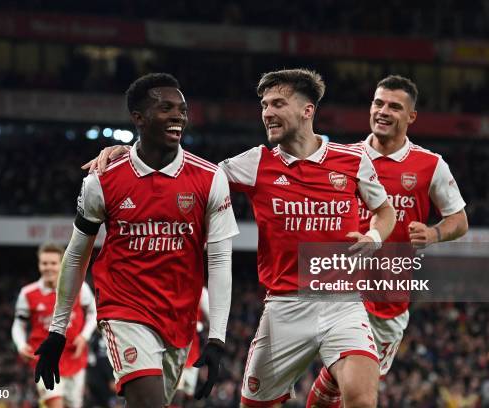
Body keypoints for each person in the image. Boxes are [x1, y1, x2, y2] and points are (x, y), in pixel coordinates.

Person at [85, 68, 397, 408]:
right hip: (284, 307)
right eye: (264, 105)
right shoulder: (254, 163)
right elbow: (190, 175)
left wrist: (374, 237)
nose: (267, 113)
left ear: (308, 110)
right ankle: (326, 384)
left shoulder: (353, 159)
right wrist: (131, 152)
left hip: (342, 302)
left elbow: (386, 212)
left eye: (278, 103)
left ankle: (332, 381)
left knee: (362, 396)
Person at [33, 73, 239, 408]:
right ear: (138, 118)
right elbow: (76, 255)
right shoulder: (103, 180)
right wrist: (57, 330)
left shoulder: (209, 178)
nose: (178, 116)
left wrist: (216, 337)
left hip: (179, 318)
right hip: (124, 309)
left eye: (183, 109)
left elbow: (218, 260)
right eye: (166, 108)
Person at [306, 74, 469, 408]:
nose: (383, 111)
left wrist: (434, 233)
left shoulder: (430, 165)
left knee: (337, 385)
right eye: (378, 103)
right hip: (343, 291)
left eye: (395, 106)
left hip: (390, 301)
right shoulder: (344, 157)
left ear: (411, 116)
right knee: (360, 396)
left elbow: (460, 220)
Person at [12, 242, 97, 408]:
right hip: (45, 360)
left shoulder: (79, 287)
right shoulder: (28, 293)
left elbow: (94, 313)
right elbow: (18, 324)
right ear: (39, 264)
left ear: (62, 264)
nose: (48, 267)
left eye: (53, 263)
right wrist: (21, 345)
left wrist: (84, 336)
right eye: (44, 263)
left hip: (74, 359)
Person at [172, 287, 210, 406]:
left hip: (192, 351)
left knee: (188, 394)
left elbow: (212, 320)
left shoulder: (201, 292)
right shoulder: (170, 285)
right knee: (176, 391)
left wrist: (201, 326)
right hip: (173, 348)